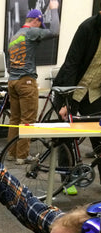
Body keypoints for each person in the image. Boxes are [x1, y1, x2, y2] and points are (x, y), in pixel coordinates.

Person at [7, 2, 59, 165]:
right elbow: (55, 31)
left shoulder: (15, 35)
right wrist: (54, 10)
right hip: (26, 81)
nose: (40, 27)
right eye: (40, 23)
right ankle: (22, 156)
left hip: (12, 81)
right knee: (28, 120)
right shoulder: (31, 32)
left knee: (15, 119)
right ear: (36, 20)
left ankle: (11, 152)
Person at [53, 11, 101, 181]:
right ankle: (66, 180)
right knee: (66, 137)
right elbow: (71, 64)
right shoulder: (87, 28)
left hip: (94, 93)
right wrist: (65, 101)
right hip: (71, 89)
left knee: (100, 136)